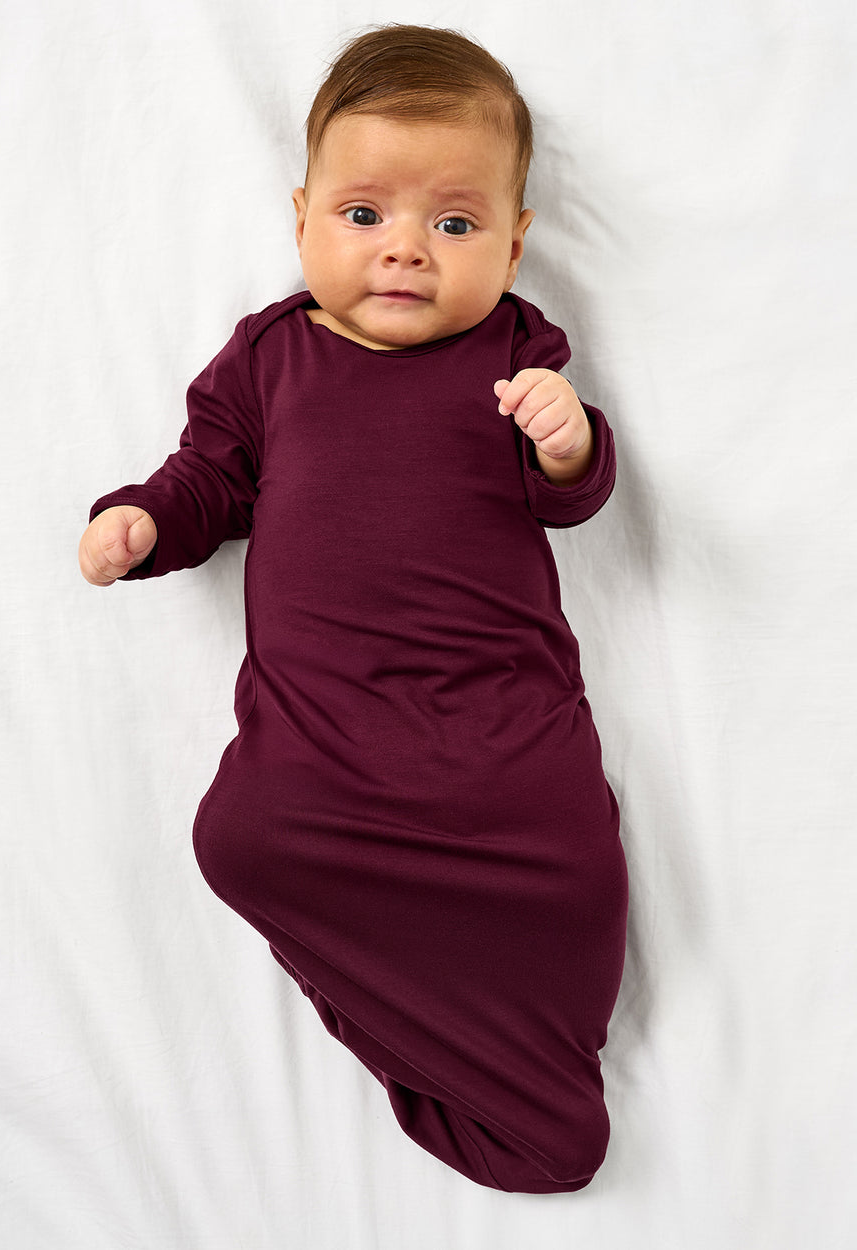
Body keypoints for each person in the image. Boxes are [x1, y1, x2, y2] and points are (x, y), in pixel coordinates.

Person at [78, 24, 628, 1193]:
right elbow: (209, 480)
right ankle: (419, 1030)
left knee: (580, 878)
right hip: (327, 743)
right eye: (364, 214)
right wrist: (142, 522)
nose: (406, 250)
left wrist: (569, 441)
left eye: (455, 224)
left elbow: (569, 496)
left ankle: (528, 1079)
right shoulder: (270, 359)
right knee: (241, 836)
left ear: (516, 241)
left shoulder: (515, 351)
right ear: (302, 219)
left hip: (502, 736)